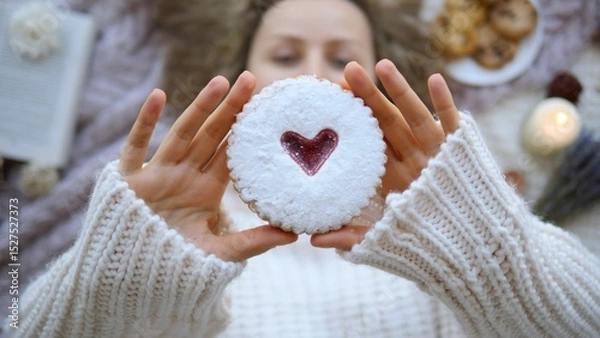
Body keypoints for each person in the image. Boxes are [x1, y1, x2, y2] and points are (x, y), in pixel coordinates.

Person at [10, 0, 600, 337]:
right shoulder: (173, 230)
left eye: (343, 58)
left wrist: (478, 242)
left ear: (379, 84)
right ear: (243, 78)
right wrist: (129, 278)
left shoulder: (437, 217)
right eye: (285, 55)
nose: (313, 76)